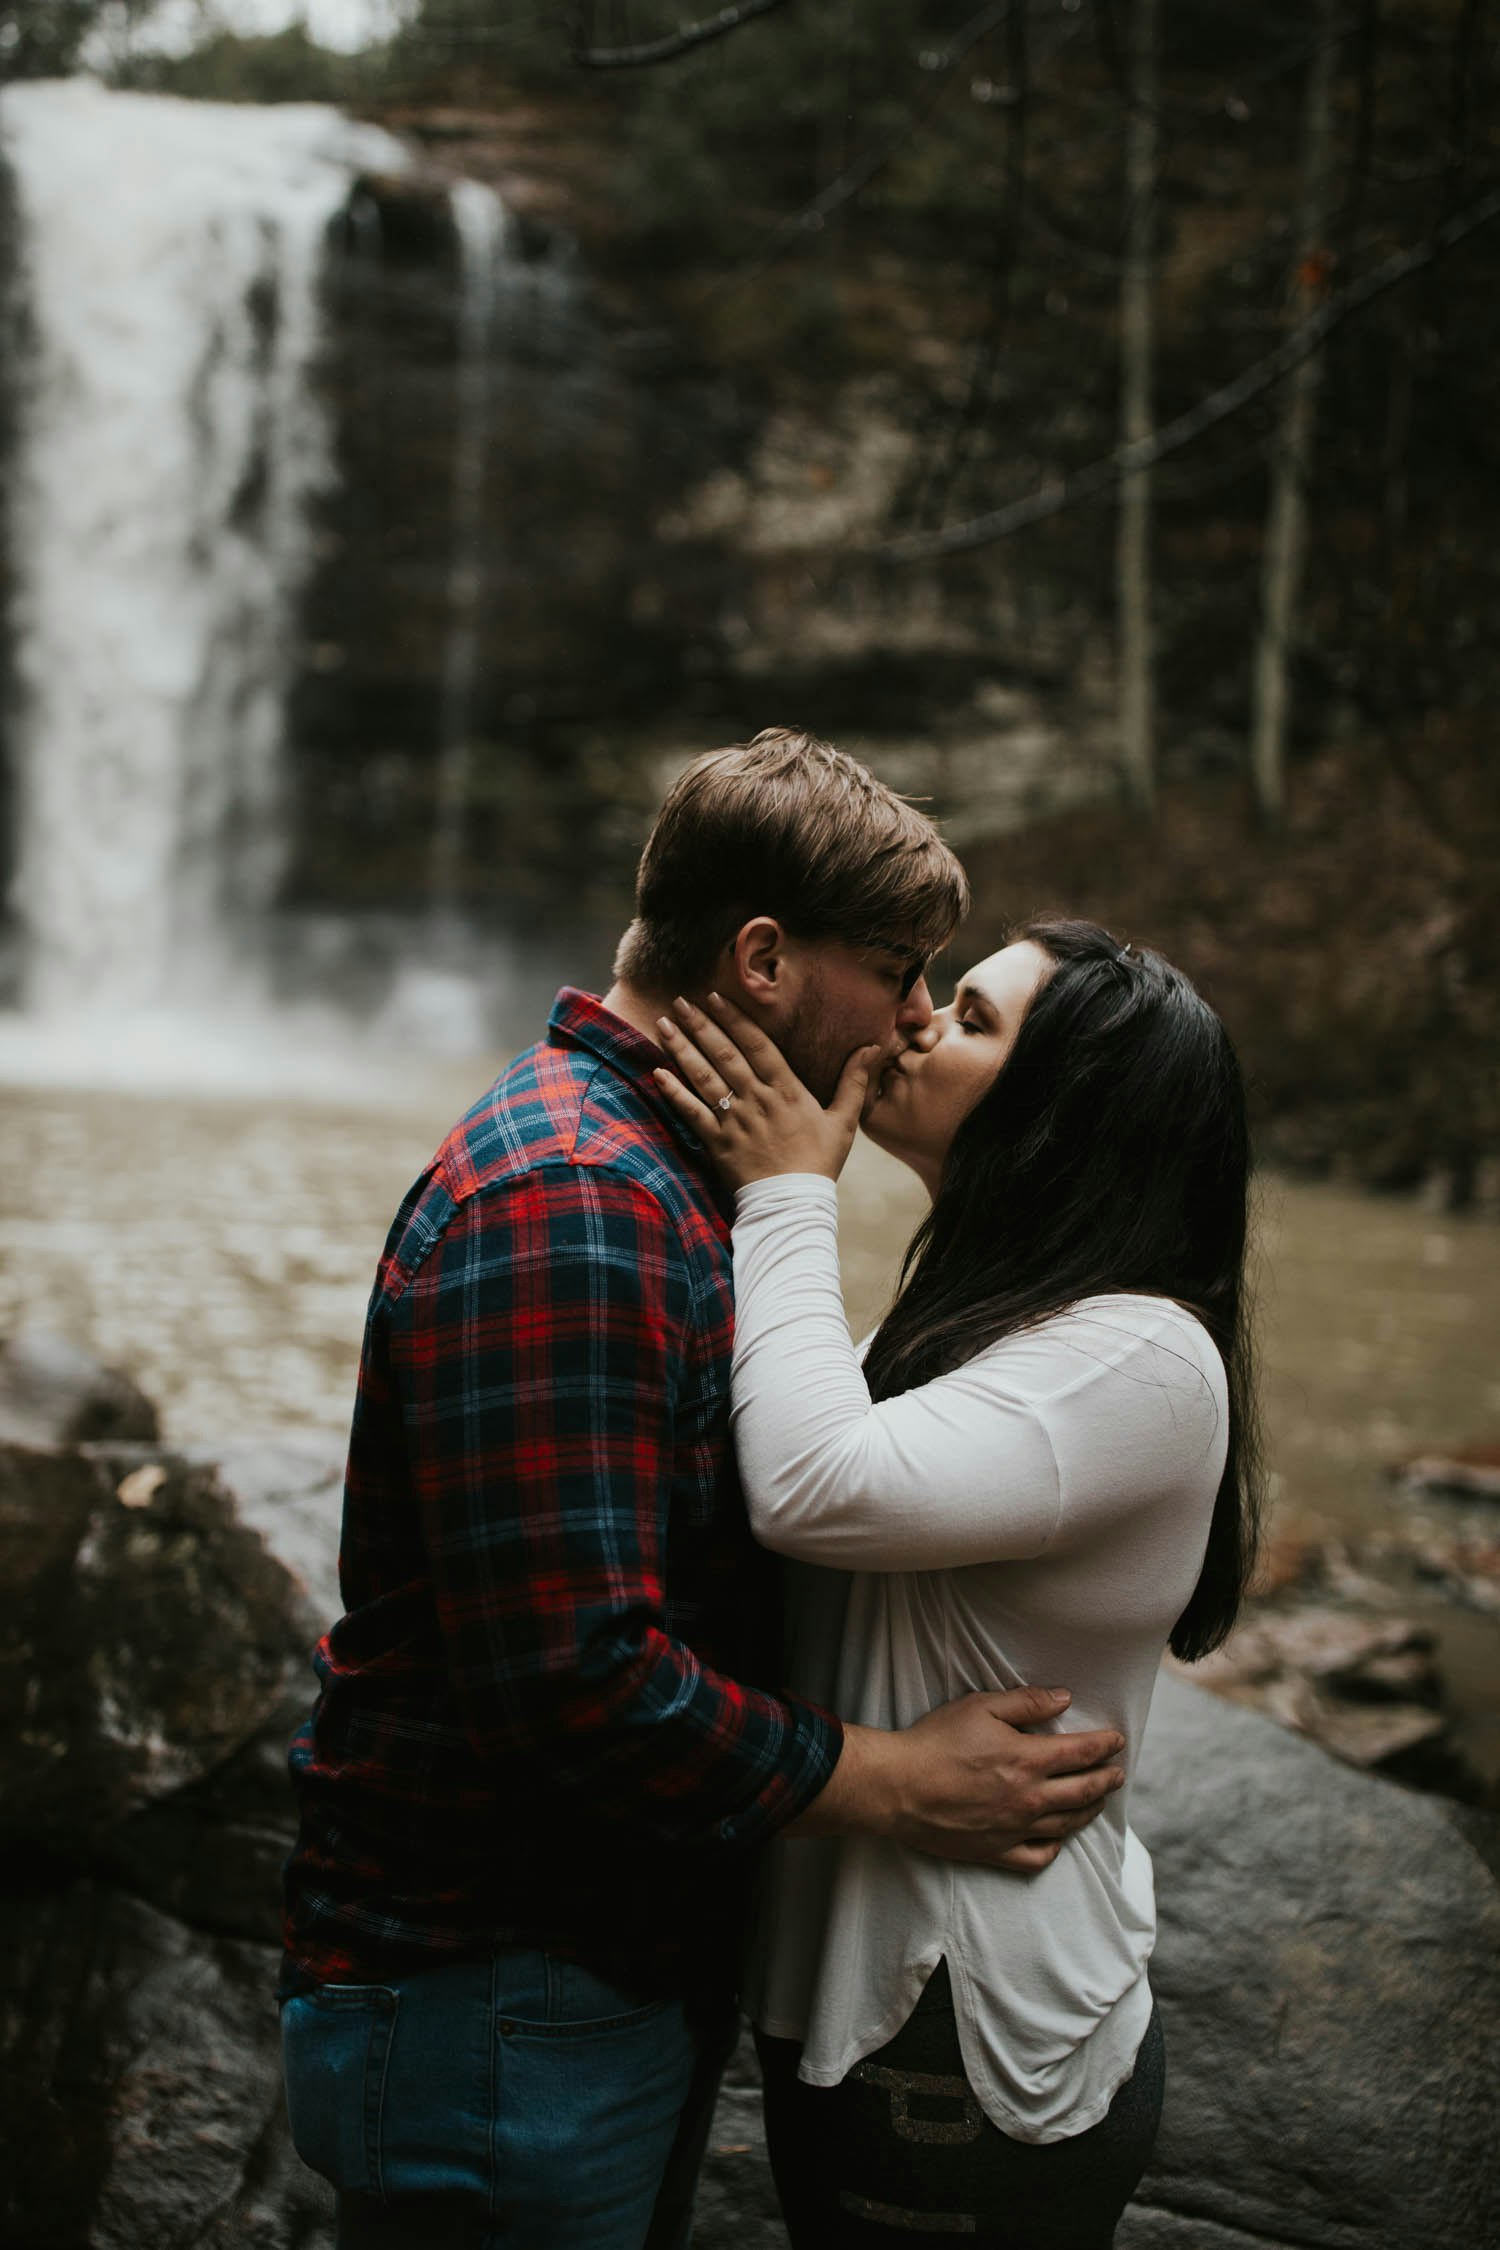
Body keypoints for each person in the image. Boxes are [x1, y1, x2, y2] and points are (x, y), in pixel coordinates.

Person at [278, 735, 1130, 2250]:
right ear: (759, 959)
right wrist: (900, 1778)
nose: (920, 1015)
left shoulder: (668, 1179)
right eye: (896, 965)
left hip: (574, 1982)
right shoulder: (576, 1198)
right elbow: (576, 1681)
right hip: (503, 1984)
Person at [652, 917, 1261, 2250]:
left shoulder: (1144, 1353)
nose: (919, 1022)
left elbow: (813, 1485)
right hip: (867, 1998)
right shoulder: (989, 1323)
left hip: (971, 2027)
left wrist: (787, 1185)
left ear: (1066, 1115)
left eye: (975, 1018)